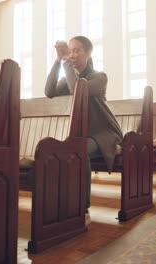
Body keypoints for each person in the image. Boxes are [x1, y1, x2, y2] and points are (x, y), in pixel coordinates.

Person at [45, 36, 123, 224]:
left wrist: (66, 65)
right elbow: (49, 91)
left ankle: (82, 208)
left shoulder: (99, 77)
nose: (72, 54)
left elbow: (78, 89)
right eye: (70, 51)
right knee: (65, 150)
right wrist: (58, 61)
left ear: (88, 53)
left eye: (77, 50)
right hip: (83, 135)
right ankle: (64, 204)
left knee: (79, 150)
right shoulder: (70, 76)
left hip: (104, 134)